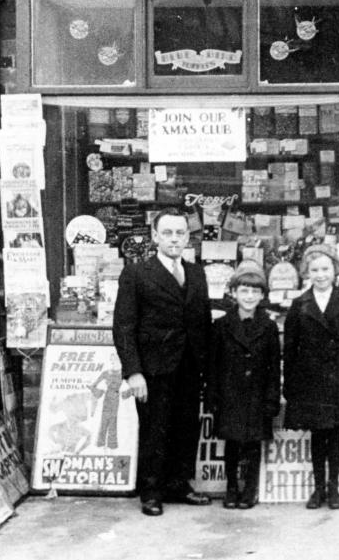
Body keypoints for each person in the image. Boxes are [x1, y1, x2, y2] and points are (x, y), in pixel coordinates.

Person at [112, 208, 212, 516]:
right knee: (155, 430)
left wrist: (206, 367)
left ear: (187, 236)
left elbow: (202, 321)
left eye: (180, 233)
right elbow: (124, 325)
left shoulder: (195, 273)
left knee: (185, 428)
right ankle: (151, 491)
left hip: (189, 366)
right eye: (167, 233)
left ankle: (179, 485)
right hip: (154, 369)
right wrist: (134, 372)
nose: (174, 239)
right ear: (155, 236)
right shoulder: (137, 273)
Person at [283, 244, 339, 510]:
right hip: (310, 381)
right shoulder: (300, 304)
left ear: (335, 270)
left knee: (335, 434)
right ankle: (318, 488)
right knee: (318, 435)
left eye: (325, 269)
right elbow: (290, 347)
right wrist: (291, 382)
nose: (320, 275)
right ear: (307, 272)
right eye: (314, 269)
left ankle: (334, 488)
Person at [206, 268, 281, 510]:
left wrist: (272, 398)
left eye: (255, 292)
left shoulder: (268, 327)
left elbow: (273, 367)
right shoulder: (221, 325)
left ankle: (250, 489)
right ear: (233, 293)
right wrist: (213, 396)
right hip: (230, 394)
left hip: (257, 395)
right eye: (244, 291)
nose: (249, 296)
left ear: (262, 296)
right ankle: (231, 488)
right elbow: (213, 366)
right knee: (232, 442)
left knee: (253, 444)